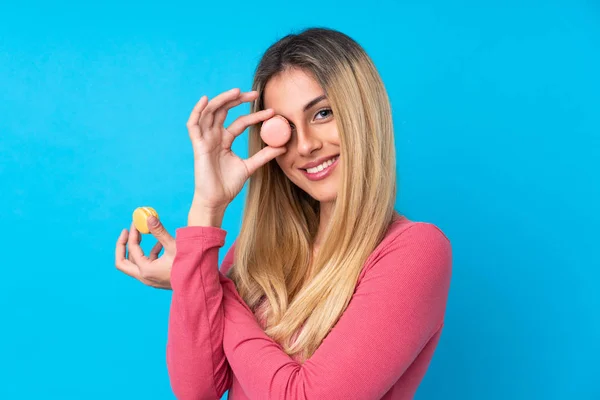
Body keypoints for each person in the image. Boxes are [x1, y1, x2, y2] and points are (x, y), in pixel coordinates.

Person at [115, 27, 452, 400]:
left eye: (322, 113)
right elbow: (197, 390)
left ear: (364, 114)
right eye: (285, 128)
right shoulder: (258, 248)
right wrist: (207, 207)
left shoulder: (415, 251)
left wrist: (202, 278)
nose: (305, 145)